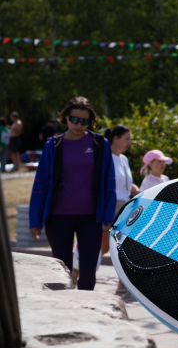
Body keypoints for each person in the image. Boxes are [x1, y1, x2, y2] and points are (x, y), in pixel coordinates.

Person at [28, 97, 116, 291]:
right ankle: (63, 305)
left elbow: (109, 182)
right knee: (62, 270)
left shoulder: (100, 144)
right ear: (65, 118)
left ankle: (85, 306)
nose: (78, 124)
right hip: (58, 217)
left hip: (91, 218)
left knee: (89, 270)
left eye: (84, 121)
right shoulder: (53, 145)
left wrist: (108, 215)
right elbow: (41, 184)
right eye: (74, 119)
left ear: (90, 122)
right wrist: (35, 220)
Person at [102, 126, 141, 294]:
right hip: (110, 206)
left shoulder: (123, 159)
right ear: (116, 138)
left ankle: (123, 283)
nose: (129, 143)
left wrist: (133, 187)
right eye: (127, 139)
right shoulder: (105, 157)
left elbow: (123, 182)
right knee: (103, 246)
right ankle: (76, 271)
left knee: (124, 245)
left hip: (125, 206)